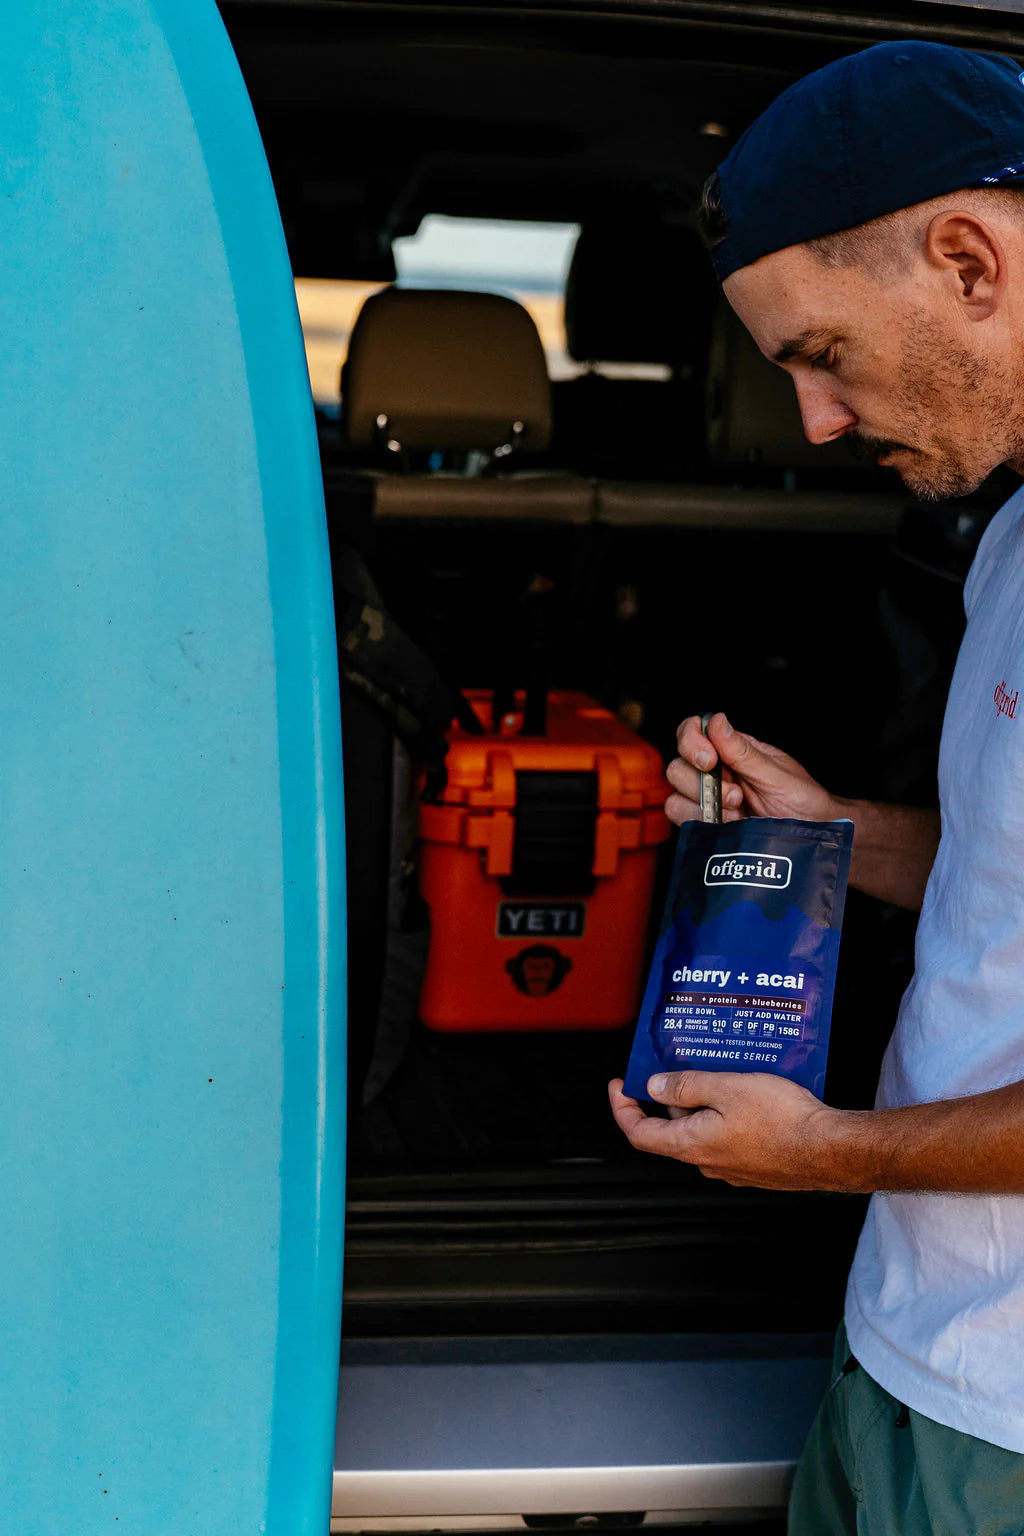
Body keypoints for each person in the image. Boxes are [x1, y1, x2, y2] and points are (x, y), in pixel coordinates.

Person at [607, 39, 1024, 1536]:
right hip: (908, 1357)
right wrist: (830, 834)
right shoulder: (1010, 540)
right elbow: (1003, 872)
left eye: (823, 354)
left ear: (969, 259)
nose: (816, 425)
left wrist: (825, 1153)